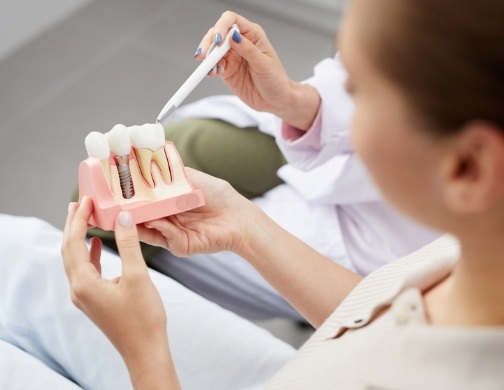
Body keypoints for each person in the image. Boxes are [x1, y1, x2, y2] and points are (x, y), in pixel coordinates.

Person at [59, 0, 504, 388]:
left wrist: (146, 354)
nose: (344, 102)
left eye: (359, 91)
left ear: (468, 168)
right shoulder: (463, 265)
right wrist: (245, 226)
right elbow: (379, 315)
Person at [82, 39, 440, 321]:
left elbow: (376, 328)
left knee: (117, 236)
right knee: (174, 150)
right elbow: (363, 79)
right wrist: (295, 100)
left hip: (373, 247)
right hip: (335, 150)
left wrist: (246, 229)